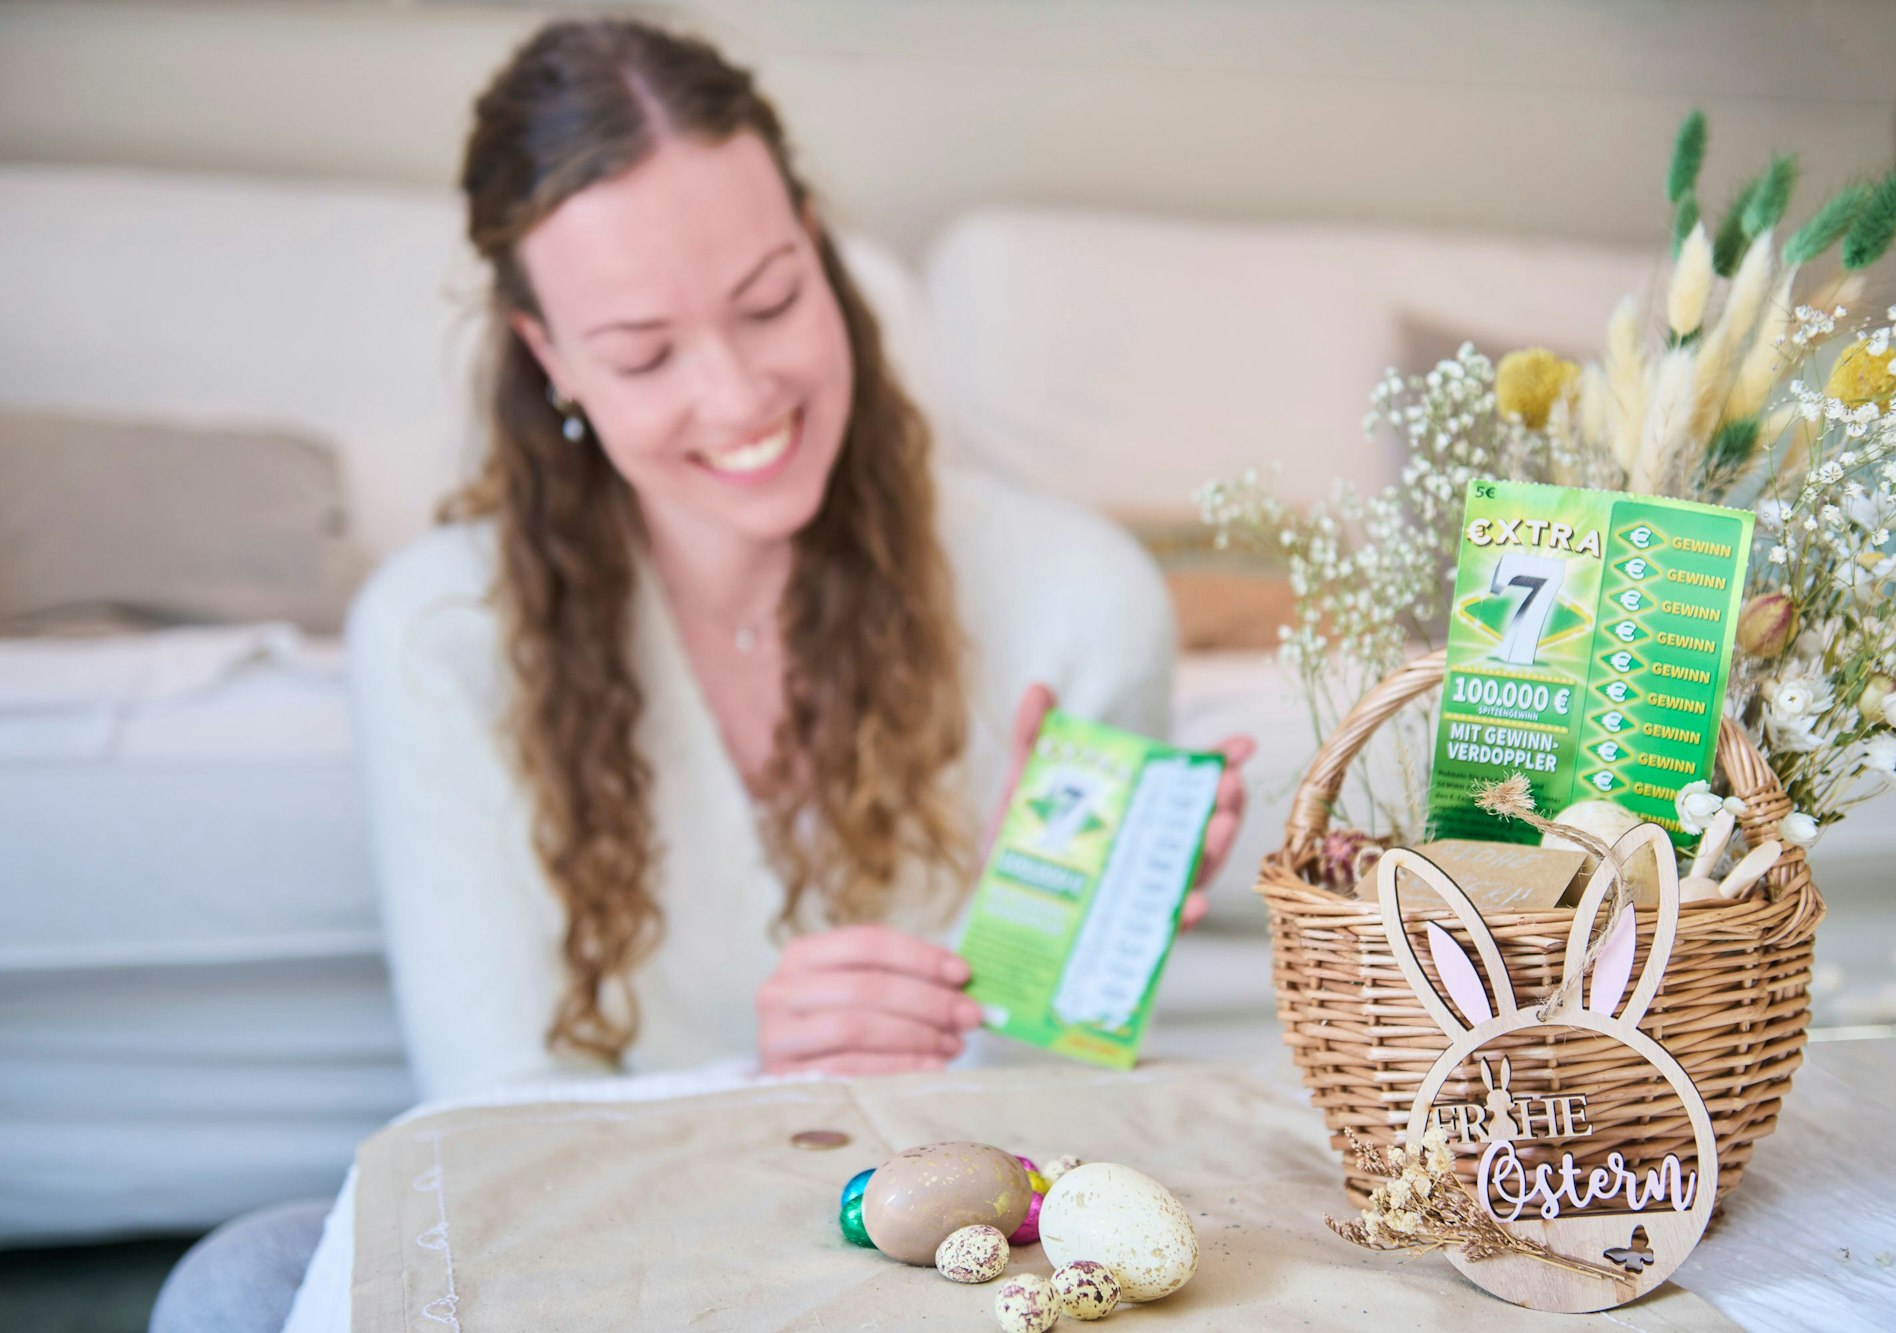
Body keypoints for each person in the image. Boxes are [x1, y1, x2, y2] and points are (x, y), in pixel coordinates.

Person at [153, 18, 1249, 1331]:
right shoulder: (440, 632)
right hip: (614, 1233)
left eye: (772, 300)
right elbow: (487, 1110)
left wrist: (1086, 939)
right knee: (238, 1282)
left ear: (820, 249)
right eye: (642, 351)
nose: (738, 396)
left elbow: (1060, 1127)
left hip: (951, 1250)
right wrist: (760, 1072)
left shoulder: (1078, 598)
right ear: (549, 356)